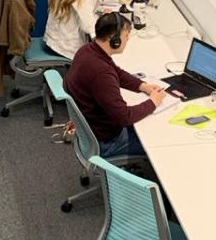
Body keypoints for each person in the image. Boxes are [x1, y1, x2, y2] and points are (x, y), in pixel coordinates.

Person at [63, 13, 170, 160]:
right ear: (114, 39)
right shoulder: (101, 73)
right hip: (108, 142)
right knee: (161, 140)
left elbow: (116, 72)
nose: (127, 40)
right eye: (126, 36)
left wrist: (143, 86)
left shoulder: (88, 50)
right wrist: (153, 102)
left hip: (93, 130)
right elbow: (123, 117)